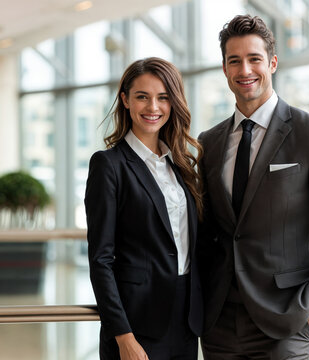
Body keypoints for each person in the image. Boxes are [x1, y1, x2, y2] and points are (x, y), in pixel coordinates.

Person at [197, 15, 309, 359]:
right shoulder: (209, 142)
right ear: (225, 69)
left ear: (272, 63)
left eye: (254, 59)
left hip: (286, 323)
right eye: (235, 61)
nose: (245, 70)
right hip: (218, 323)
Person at [85, 57, 204, 360]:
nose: (153, 107)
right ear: (125, 100)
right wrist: (123, 337)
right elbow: (101, 259)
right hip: (137, 325)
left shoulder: (180, 165)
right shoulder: (109, 165)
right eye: (142, 96)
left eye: (163, 97)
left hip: (186, 322)